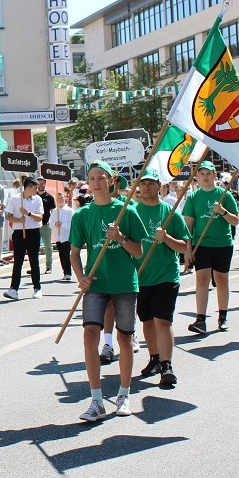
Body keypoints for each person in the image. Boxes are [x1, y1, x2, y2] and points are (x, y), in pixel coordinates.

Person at [70, 161, 147, 421]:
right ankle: (97, 400)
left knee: (125, 339)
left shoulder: (126, 210)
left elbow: (138, 251)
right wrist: (80, 278)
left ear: (112, 180)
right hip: (96, 283)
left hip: (124, 283)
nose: (95, 182)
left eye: (101, 177)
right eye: (91, 178)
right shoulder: (82, 214)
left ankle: (124, 395)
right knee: (90, 335)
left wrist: (121, 239)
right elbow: (74, 252)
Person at [132, 169, 189, 388]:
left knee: (163, 321)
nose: (146, 187)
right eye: (142, 183)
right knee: (147, 321)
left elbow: (184, 246)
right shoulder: (132, 211)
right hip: (140, 276)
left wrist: (166, 238)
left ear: (159, 186)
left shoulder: (170, 211)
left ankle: (167, 365)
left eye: (150, 183)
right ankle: (154, 358)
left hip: (166, 275)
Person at [182, 161, 239, 334]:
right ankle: (200, 319)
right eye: (202, 173)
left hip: (223, 244)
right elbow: (188, 226)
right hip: (202, 244)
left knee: (221, 280)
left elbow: (235, 221)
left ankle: (222, 316)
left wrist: (222, 211)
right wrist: (188, 249)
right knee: (202, 280)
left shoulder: (224, 195)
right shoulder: (193, 197)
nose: (205, 176)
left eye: (209, 173)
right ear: (197, 177)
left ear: (215, 175)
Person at [3, 176, 43, 300]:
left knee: (34, 261)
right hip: (19, 233)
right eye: (35, 187)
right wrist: (19, 219)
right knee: (18, 262)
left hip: (33, 232)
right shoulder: (15, 199)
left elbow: (40, 217)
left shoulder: (37, 199)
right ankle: (13, 289)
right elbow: (8, 217)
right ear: (28, 187)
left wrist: (28, 214)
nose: (37, 189)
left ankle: (37, 288)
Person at [52, 191, 73, 282]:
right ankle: (65, 272)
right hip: (58, 236)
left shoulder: (70, 211)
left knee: (66, 254)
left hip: (67, 236)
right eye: (58, 198)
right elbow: (50, 223)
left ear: (65, 198)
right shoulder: (54, 211)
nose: (60, 200)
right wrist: (55, 224)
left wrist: (63, 225)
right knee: (61, 255)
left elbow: (72, 224)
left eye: (61, 198)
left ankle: (68, 273)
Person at [39, 183, 56, 274]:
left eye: (42, 183)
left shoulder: (49, 197)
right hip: (35, 225)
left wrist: (52, 221)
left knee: (47, 246)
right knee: (33, 247)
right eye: (39, 183)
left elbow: (53, 210)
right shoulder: (33, 196)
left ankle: (49, 266)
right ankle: (34, 267)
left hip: (46, 225)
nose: (40, 185)